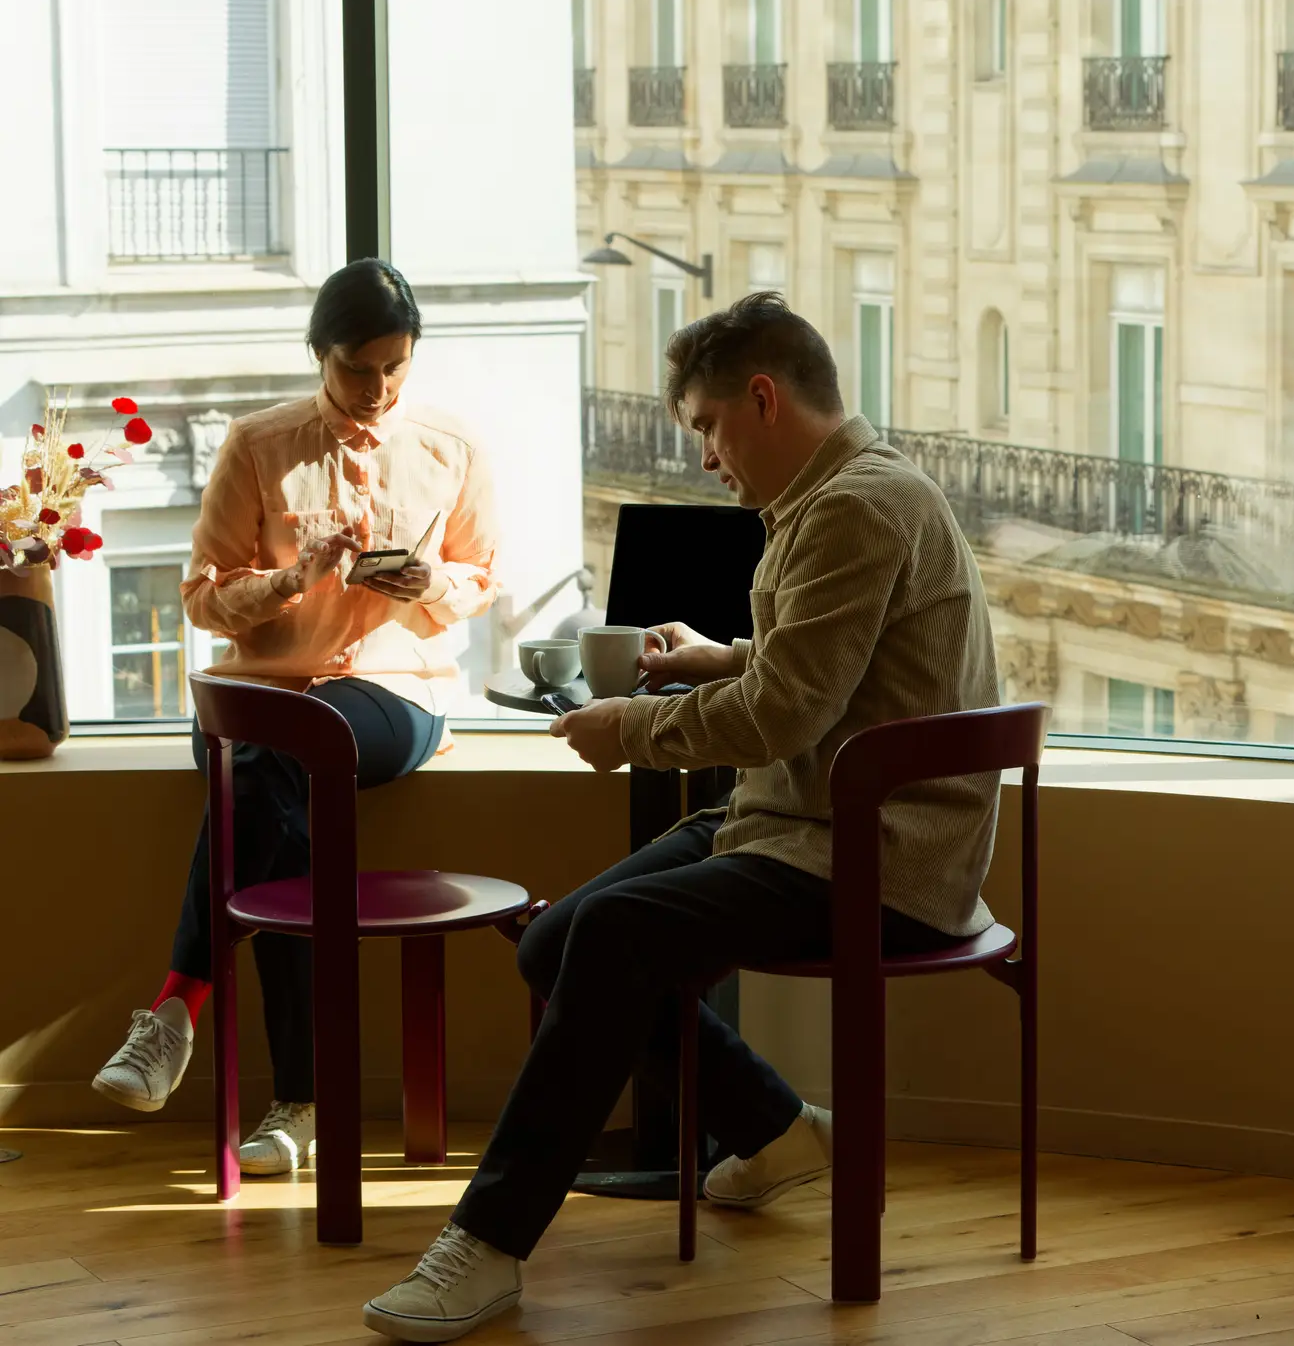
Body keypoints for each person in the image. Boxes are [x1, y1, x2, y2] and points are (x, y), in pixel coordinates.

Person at [362, 291, 1001, 1342]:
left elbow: (787, 711)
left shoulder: (853, 508)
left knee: (610, 936)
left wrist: (633, 731)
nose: (707, 454)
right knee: (557, 938)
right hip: (800, 819)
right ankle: (777, 1129)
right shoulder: (837, 498)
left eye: (707, 425)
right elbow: (825, 674)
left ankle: (486, 1243)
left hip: (869, 855)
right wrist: (718, 654)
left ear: (762, 398)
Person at [90, 259, 498, 1175]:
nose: (378, 388)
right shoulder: (258, 444)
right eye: (360, 367)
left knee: (271, 771)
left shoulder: (451, 447)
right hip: (260, 691)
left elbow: (480, 577)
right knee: (277, 794)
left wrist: (425, 579)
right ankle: (298, 1105)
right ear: (321, 353)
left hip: (394, 688)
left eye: (396, 366)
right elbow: (200, 597)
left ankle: (177, 1010)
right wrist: (293, 580)